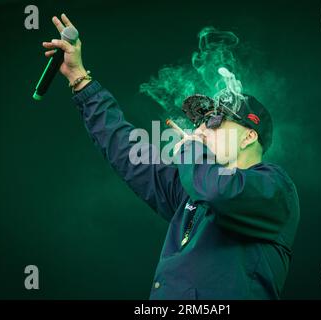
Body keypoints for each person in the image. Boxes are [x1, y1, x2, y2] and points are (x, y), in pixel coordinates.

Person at [42, 14, 300, 299]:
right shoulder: (192, 191)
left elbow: (218, 190)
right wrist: (80, 79)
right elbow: (127, 152)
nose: (202, 128)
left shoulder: (276, 187)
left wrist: (190, 149)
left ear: (249, 135)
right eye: (200, 122)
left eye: (214, 121)